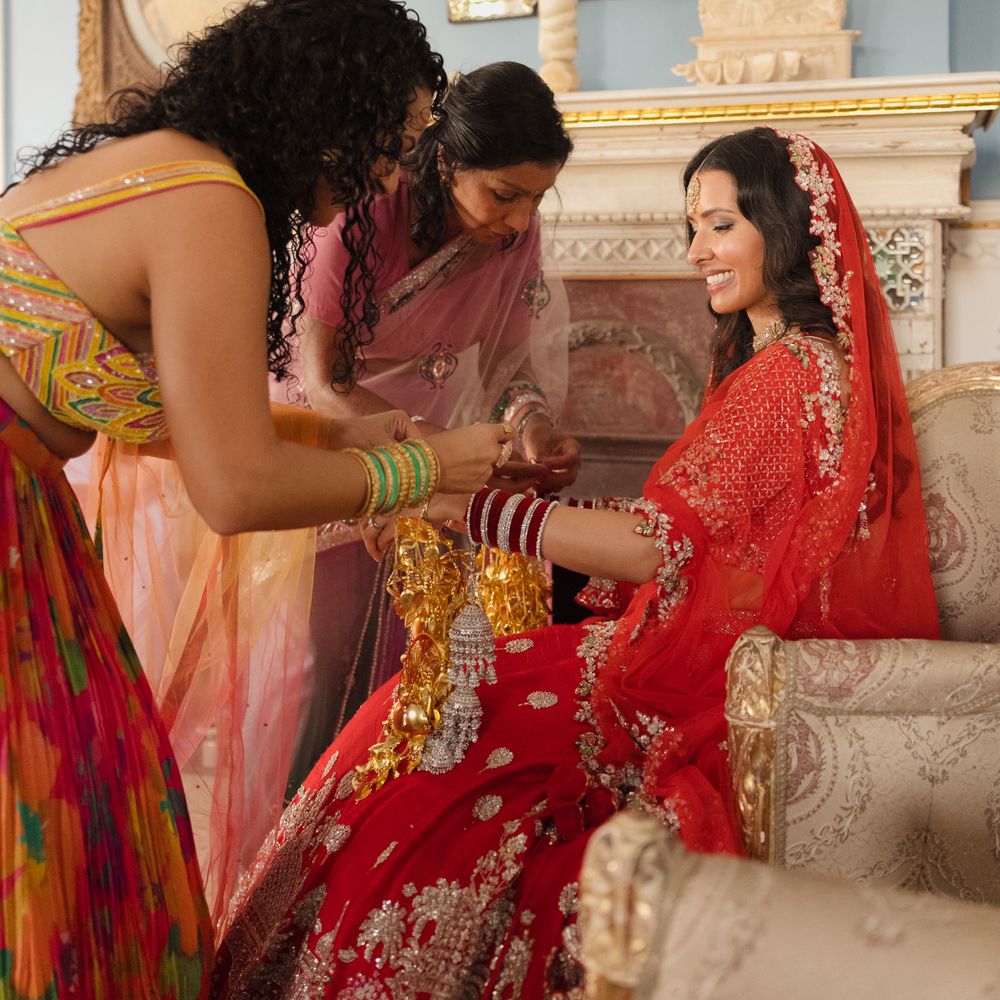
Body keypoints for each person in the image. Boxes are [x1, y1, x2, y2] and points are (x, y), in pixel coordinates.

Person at [211, 126, 941, 998]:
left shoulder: (787, 377)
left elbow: (653, 546)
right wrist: (468, 501)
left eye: (719, 226)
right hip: (721, 660)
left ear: (782, 228)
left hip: (702, 689)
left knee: (432, 766)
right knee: (432, 714)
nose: (694, 251)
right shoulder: (801, 367)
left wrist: (474, 508)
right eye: (692, 227)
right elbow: (703, 533)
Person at [0, 0, 511, 993]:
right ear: (328, 113)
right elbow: (230, 487)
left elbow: (154, 414)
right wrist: (428, 468)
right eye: (392, 140)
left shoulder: (158, 163)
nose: (392, 175)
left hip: (25, 511)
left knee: (83, 806)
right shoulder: (211, 201)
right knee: (64, 821)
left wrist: (338, 435)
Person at [284, 61, 580, 791]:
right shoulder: (359, 213)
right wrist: (422, 452)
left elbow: (512, 371)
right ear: (446, 159)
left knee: (412, 661)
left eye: (535, 199)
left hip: (433, 457)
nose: (517, 220)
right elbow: (321, 381)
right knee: (326, 673)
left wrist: (533, 427)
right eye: (504, 194)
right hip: (330, 445)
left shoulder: (516, 235)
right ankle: (293, 847)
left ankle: (374, 846)